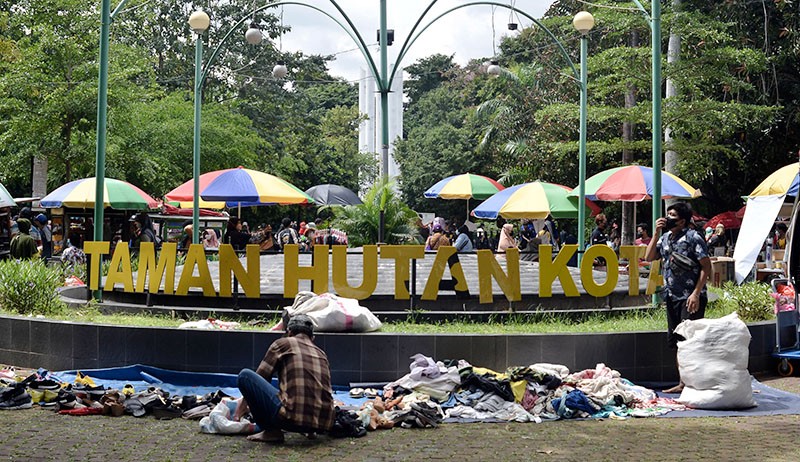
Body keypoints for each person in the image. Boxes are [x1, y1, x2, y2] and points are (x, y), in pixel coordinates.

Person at [645, 201, 711, 394]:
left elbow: (706, 266)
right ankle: (682, 382)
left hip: (690, 297)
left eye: (672, 215)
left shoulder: (693, 238)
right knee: (677, 341)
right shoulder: (665, 238)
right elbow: (649, 257)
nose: (667, 218)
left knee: (689, 340)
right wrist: (655, 233)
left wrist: (696, 293)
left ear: (682, 221)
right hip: (672, 296)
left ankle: (694, 383)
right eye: (667, 214)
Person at [235, 314, 335, 443]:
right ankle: (310, 431)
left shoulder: (282, 344)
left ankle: (271, 431)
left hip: (290, 418)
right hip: (324, 423)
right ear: (312, 338)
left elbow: (262, 376)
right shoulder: (322, 354)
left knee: (245, 376)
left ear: (289, 333)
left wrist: (241, 409)